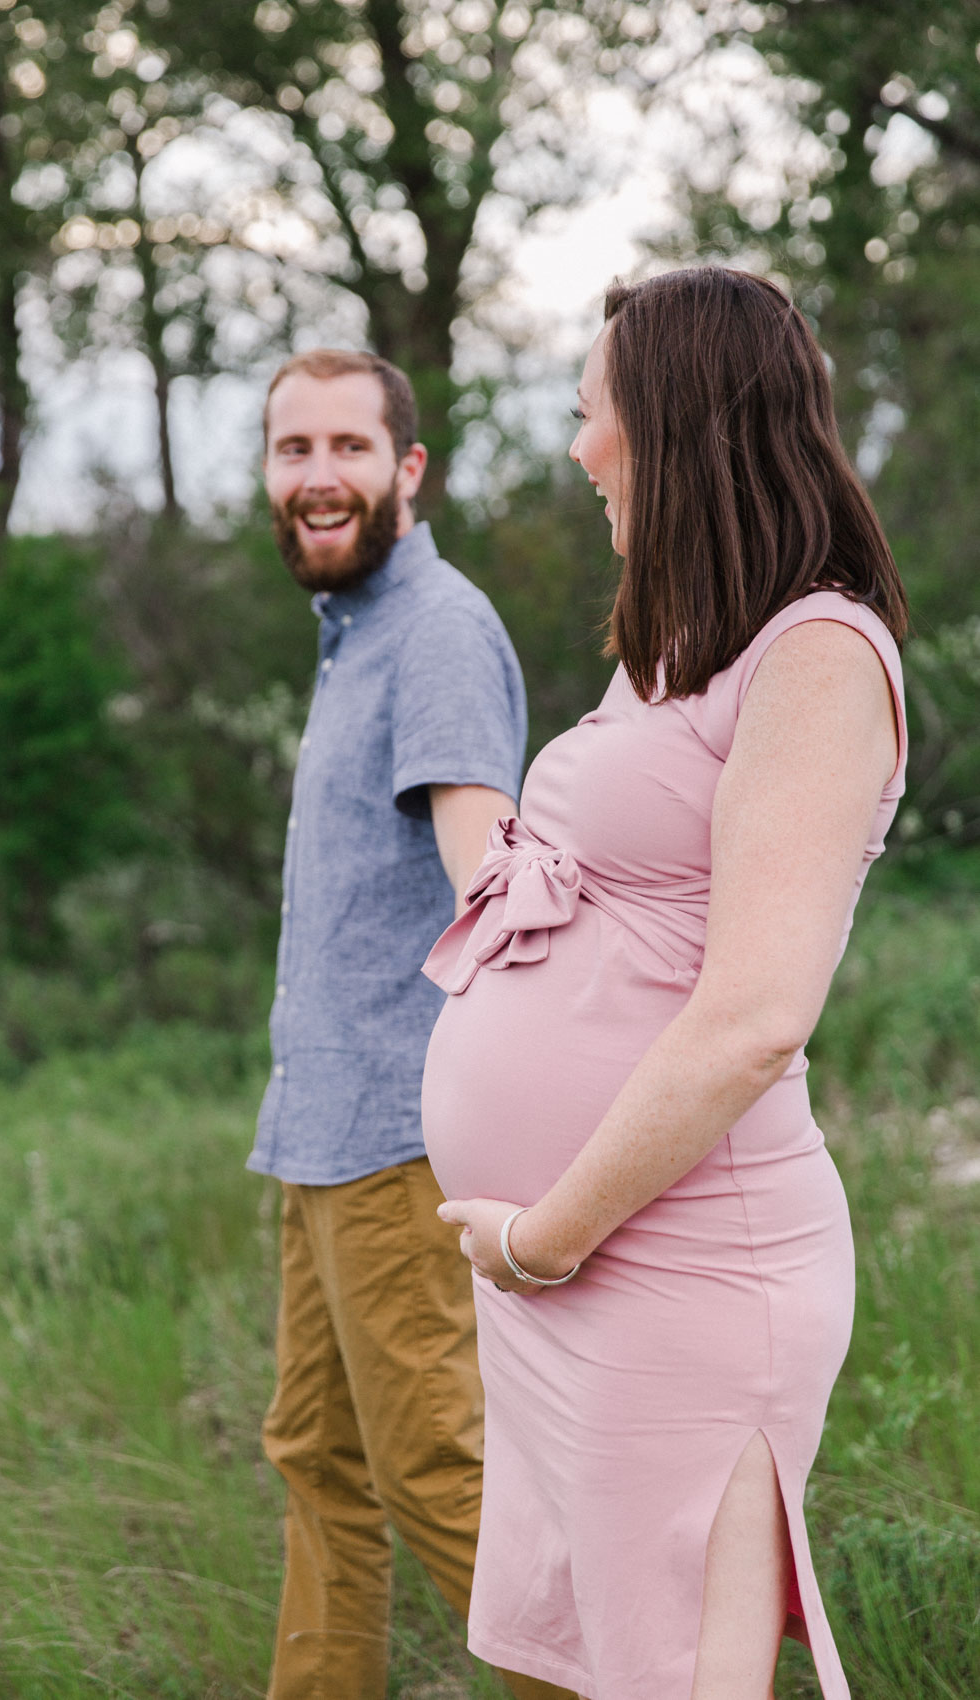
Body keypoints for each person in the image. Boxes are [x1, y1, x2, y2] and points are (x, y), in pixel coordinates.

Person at [422, 268, 909, 1700]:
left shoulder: (814, 654)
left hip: (676, 1271)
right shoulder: (675, 652)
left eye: (596, 416)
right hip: (572, 1273)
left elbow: (755, 1020)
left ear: (680, 425)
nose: (578, 452)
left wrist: (543, 1237)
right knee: (582, 1670)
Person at [249, 348, 572, 1700]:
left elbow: (491, 893)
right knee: (319, 1466)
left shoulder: (433, 629)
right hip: (315, 1136)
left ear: (408, 471)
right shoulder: (356, 633)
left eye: (346, 448)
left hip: (394, 1143)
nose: (317, 476)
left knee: (437, 1471)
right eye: (290, 450)